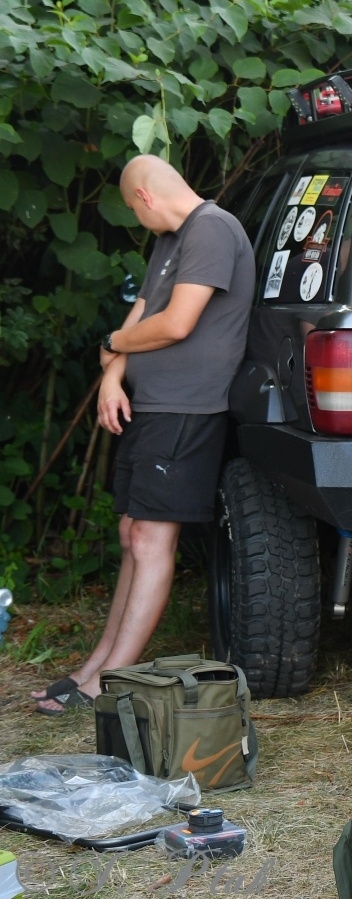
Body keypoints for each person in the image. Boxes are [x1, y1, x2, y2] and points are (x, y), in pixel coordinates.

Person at [33, 155, 252, 716]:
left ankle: (108, 682)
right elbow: (138, 317)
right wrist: (111, 375)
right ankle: (95, 667)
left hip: (187, 409)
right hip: (152, 405)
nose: (136, 217)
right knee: (134, 532)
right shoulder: (171, 240)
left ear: (145, 198)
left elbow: (176, 323)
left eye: (132, 207)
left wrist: (112, 344)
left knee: (153, 540)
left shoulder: (213, 229)